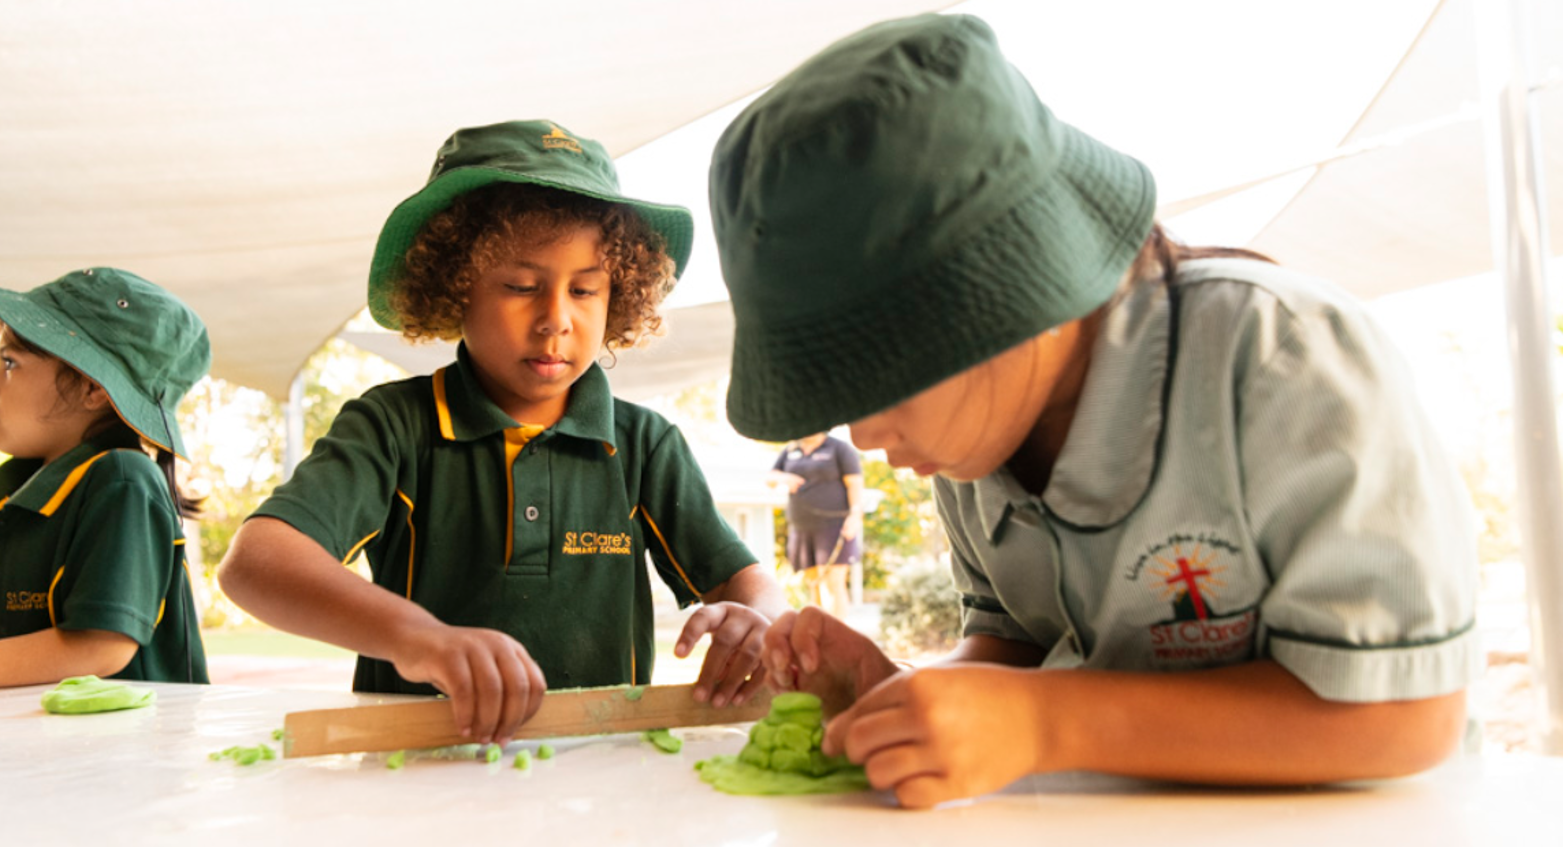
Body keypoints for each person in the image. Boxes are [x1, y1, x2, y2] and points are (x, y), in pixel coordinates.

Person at [708, 14, 1477, 809]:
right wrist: (892, 693)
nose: (867, 437)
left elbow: (1409, 716)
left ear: (1012, 290)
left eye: (883, 378)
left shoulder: (1283, 354)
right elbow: (1017, 649)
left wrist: (1046, 721)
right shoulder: (970, 443)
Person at [218, 119, 788, 746]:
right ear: (453, 287)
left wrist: (759, 619)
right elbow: (255, 564)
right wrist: (420, 639)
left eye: (586, 290)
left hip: (600, 772)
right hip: (421, 772)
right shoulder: (394, 426)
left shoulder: (644, 444)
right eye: (520, 286)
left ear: (618, 297)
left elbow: (747, 582)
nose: (555, 320)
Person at [0, 267, 212, 689]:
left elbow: (101, 647)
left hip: (128, 753)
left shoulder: (122, 478)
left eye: (10, 363)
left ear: (92, 389)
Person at [765, 432, 862, 618]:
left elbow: (855, 484)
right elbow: (770, 477)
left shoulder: (838, 448)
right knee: (813, 583)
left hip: (834, 525)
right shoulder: (791, 449)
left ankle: (836, 636)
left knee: (833, 583)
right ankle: (819, 637)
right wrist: (784, 478)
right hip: (801, 527)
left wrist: (855, 516)